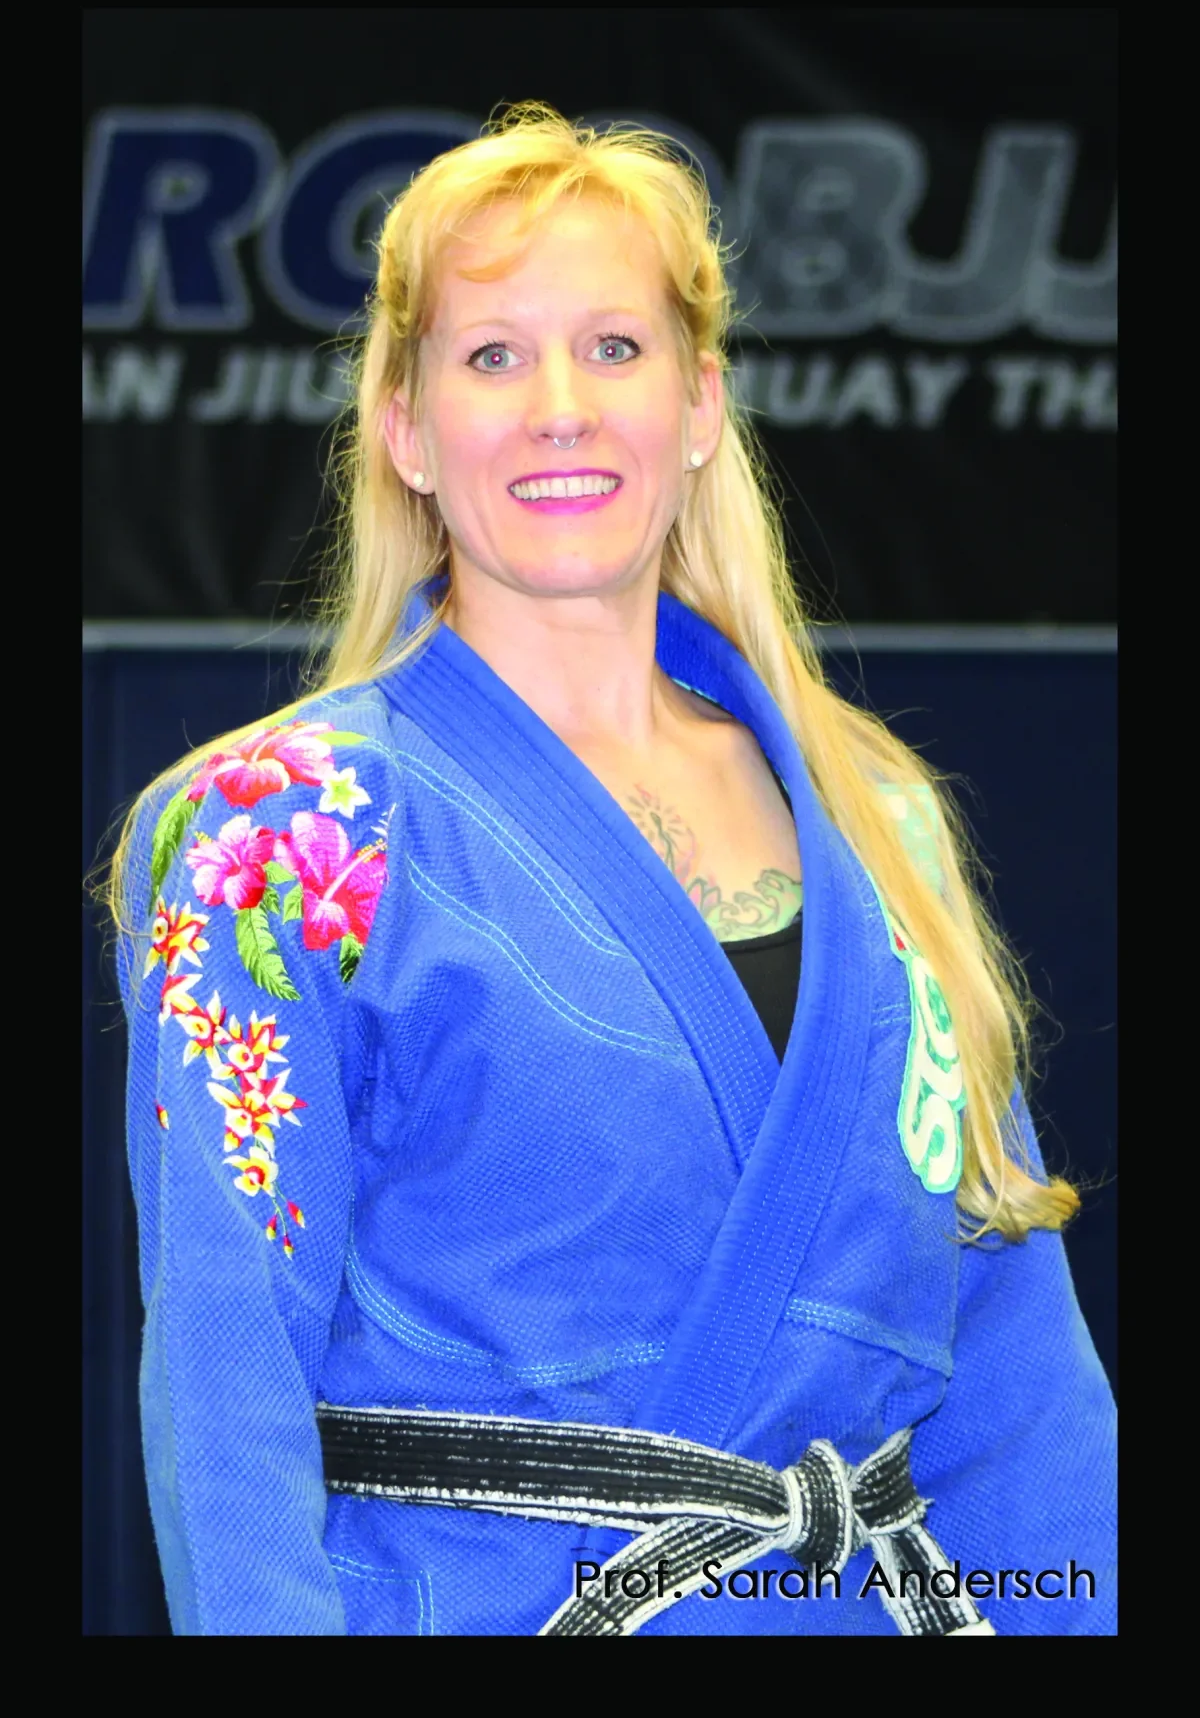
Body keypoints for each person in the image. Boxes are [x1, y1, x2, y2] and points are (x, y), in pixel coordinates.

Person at [109, 102, 1116, 1636]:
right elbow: (223, 1377)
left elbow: (1017, 1365)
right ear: (405, 428)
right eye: (492, 356)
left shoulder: (877, 816)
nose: (561, 409)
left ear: (700, 404)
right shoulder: (274, 834)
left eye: (615, 348)